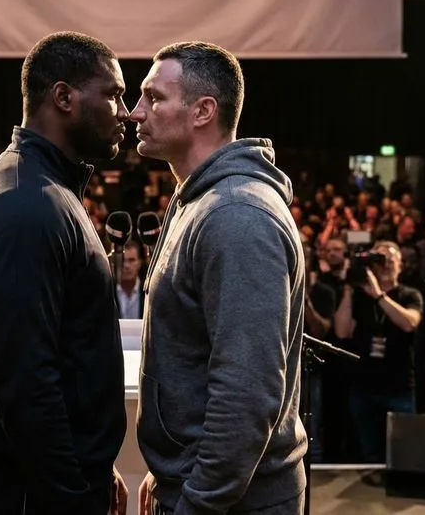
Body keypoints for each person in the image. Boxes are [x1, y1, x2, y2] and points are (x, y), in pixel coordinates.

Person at [0, 31, 129, 515]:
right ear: (64, 97)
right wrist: (72, 494)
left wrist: (93, 467)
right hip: (31, 494)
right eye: (113, 95)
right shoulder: (25, 206)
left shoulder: (43, 187)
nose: (126, 112)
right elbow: (25, 384)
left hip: (42, 482)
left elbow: (64, 352)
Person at [131, 41, 307, 515]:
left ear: (203, 111)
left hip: (232, 501)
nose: (135, 112)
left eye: (154, 98)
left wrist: (196, 500)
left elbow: (245, 394)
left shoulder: (236, 215)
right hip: (204, 486)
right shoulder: (199, 200)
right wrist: (169, 473)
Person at [333, 241, 423, 463]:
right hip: (364, 385)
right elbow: (341, 331)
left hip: (398, 385)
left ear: (401, 265)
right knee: (368, 452)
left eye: (391, 260)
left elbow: (409, 323)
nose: (386, 265)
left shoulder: (409, 294)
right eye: (380, 260)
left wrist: (378, 295)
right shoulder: (360, 296)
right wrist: (349, 289)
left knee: (402, 454)